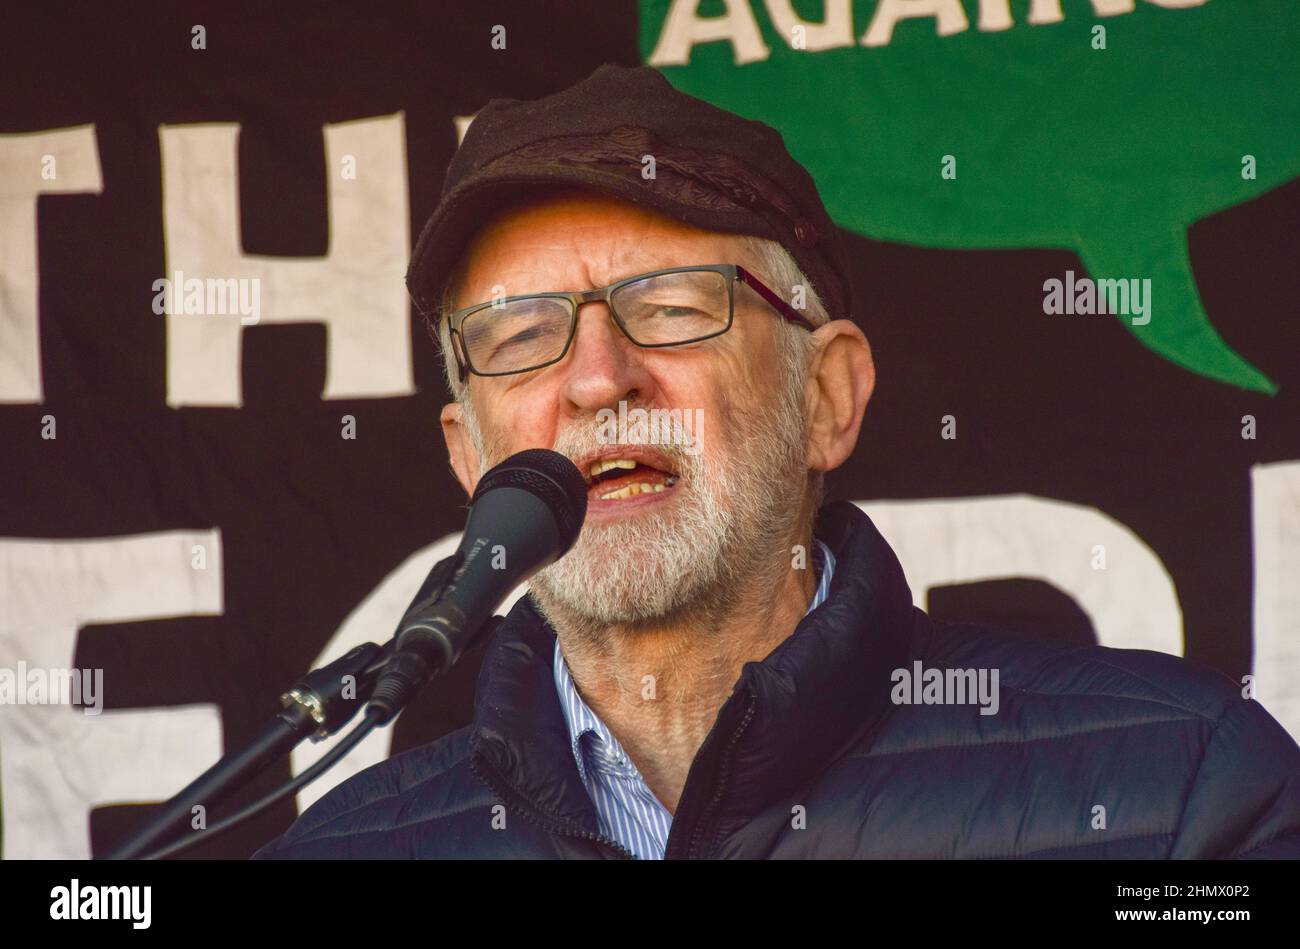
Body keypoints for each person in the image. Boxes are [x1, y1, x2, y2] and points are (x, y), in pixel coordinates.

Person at [254, 63, 1300, 859]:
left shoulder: (1181, 788)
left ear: (826, 398)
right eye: (520, 336)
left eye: (671, 307)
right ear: (468, 453)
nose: (596, 378)